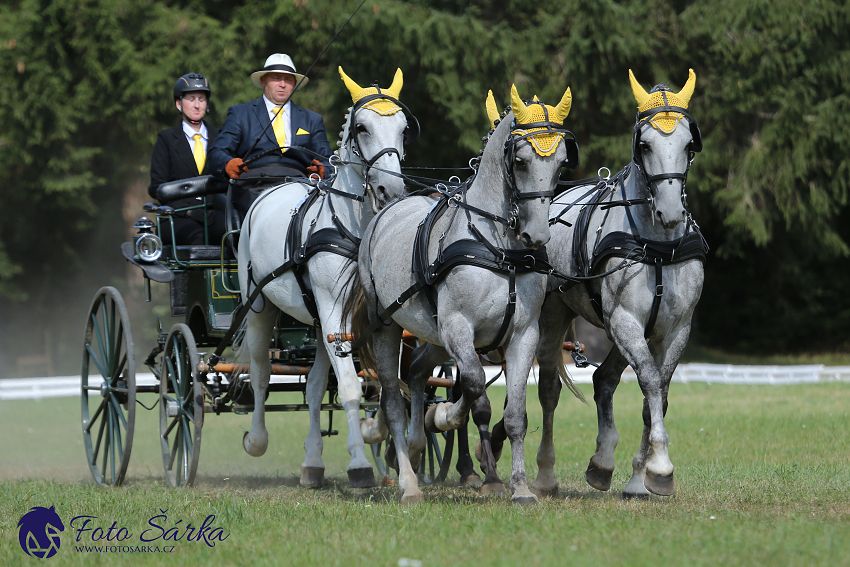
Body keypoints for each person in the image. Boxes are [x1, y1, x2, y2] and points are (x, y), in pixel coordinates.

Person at [207, 53, 333, 218]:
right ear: (263, 81)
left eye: (288, 80)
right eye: (276, 78)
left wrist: (324, 169)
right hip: (253, 187)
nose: (282, 84)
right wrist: (227, 163)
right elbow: (217, 152)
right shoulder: (240, 113)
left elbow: (328, 160)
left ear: (295, 84)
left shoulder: (312, 119)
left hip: (301, 187)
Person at [148, 73, 225, 245]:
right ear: (178, 103)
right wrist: (190, 210)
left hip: (216, 214)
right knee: (196, 236)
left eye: (202, 99)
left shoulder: (221, 137)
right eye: (191, 99)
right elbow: (157, 186)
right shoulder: (166, 139)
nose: (197, 105)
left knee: (237, 235)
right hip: (178, 215)